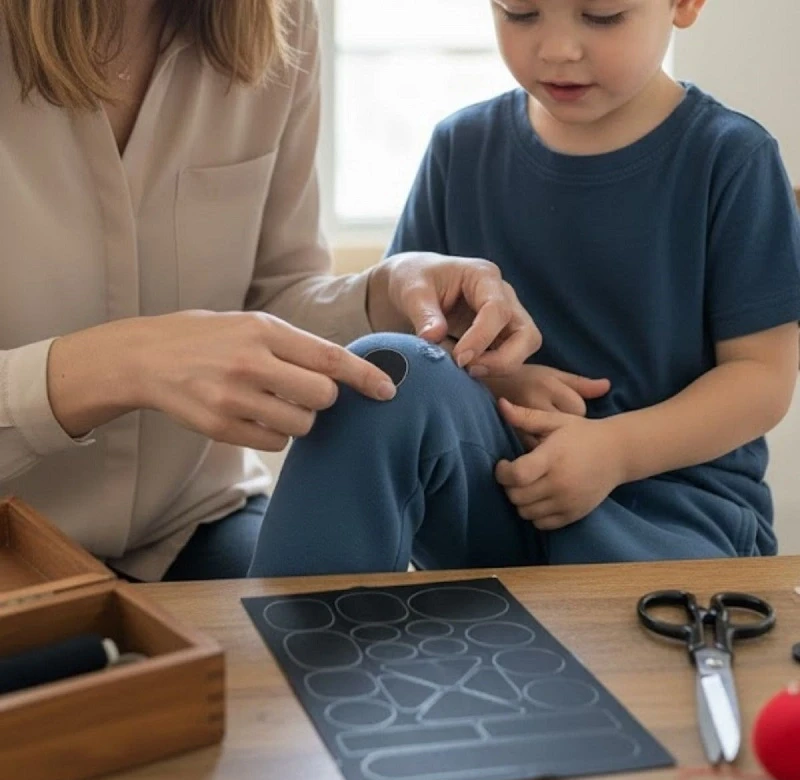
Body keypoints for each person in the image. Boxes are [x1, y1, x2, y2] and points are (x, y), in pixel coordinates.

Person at [248, 0, 800, 577]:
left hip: (671, 515)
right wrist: (500, 382)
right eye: (520, 12)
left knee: (615, 616)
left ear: (683, 5)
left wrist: (614, 451)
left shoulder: (731, 158)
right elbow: (415, 338)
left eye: (602, 16)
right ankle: (292, 624)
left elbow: (762, 379)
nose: (556, 49)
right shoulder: (460, 147)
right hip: (497, 492)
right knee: (385, 365)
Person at [0, 0, 541, 582]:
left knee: (341, 628)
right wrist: (125, 364)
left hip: (189, 520)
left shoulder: (279, 22)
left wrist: (383, 294)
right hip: (13, 529)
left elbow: (276, 295)